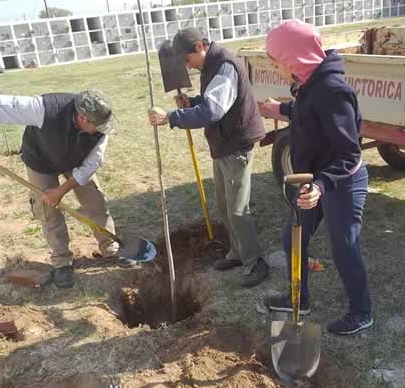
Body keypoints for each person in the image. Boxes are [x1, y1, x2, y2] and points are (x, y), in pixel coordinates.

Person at [262, 20, 372, 335]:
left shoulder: (333, 91)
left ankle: (362, 311)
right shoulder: (309, 82)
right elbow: (309, 112)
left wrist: (322, 186)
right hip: (315, 181)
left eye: (277, 62)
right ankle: (302, 298)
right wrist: (282, 108)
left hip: (342, 181)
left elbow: (349, 153)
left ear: (294, 59)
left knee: (344, 246)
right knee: (292, 238)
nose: (276, 69)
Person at [148, 28, 269, 287]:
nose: (186, 66)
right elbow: (214, 101)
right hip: (223, 145)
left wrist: (170, 118)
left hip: (236, 146)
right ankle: (237, 252)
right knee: (223, 205)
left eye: (187, 60)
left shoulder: (224, 67)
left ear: (200, 46)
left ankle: (255, 260)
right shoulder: (211, 64)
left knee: (237, 209)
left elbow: (213, 111)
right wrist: (193, 101)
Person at [0, 90, 127, 289]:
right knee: (48, 211)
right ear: (82, 118)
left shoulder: (100, 126)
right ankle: (62, 262)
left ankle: (110, 247)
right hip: (41, 160)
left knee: (95, 201)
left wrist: (61, 190)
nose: (101, 129)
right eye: (97, 126)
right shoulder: (44, 109)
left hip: (77, 161)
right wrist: (52, 194)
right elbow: (3, 105)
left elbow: (92, 163)